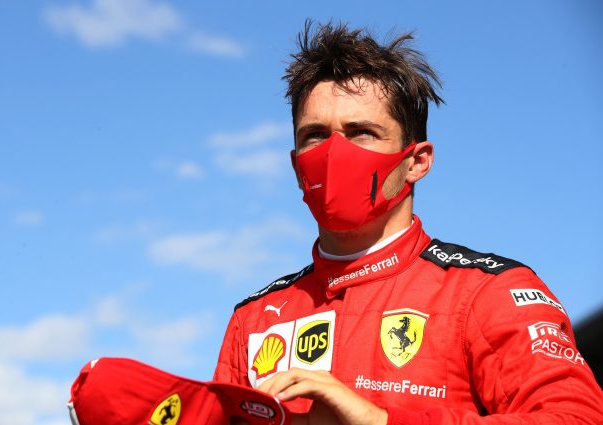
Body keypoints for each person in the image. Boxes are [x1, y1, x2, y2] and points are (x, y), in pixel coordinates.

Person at [213, 21, 603, 425]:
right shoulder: (254, 319)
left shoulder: (487, 292)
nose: (333, 152)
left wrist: (380, 421)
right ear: (297, 168)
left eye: (361, 132)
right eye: (314, 135)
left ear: (416, 162)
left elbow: (579, 418)